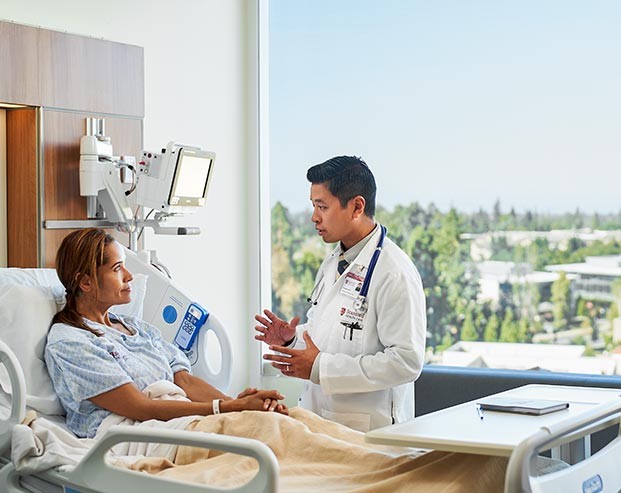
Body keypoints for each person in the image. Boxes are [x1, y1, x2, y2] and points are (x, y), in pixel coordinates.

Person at [45, 228, 287, 439]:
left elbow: (184, 380)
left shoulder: (137, 328)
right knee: (270, 439)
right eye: (117, 268)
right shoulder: (70, 341)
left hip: (176, 422)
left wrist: (240, 406)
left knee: (281, 424)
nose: (129, 276)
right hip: (138, 432)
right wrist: (228, 409)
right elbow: (141, 407)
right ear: (85, 283)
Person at [255, 155, 426, 432]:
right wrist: (292, 340)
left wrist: (322, 368)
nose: (314, 217)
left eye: (322, 206)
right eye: (313, 205)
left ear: (357, 206)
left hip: (370, 431)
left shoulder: (394, 272)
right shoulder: (334, 261)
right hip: (322, 423)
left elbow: (406, 362)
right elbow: (331, 334)